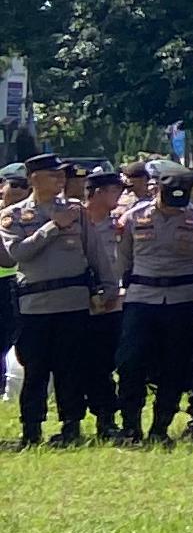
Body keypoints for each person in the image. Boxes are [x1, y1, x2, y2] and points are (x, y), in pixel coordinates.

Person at [5, 161, 107, 445]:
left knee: (70, 368)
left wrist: (107, 288)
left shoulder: (76, 210)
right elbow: (18, 254)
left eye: (62, 175)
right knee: (36, 369)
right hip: (36, 305)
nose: (60, 180)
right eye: (53, 175)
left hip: (73, 302)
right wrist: (52, 226)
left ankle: (71, 427)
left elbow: (95, 252)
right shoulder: (14, 216)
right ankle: (32, 430)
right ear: (35, 179)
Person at [109, 171, 193, 442]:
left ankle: (160, 427)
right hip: (141, 298)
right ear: (157, 192)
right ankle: (130, 425)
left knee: (174, 365)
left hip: (181, 299)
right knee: (130, 363)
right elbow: (122, 260)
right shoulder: (133, 217)